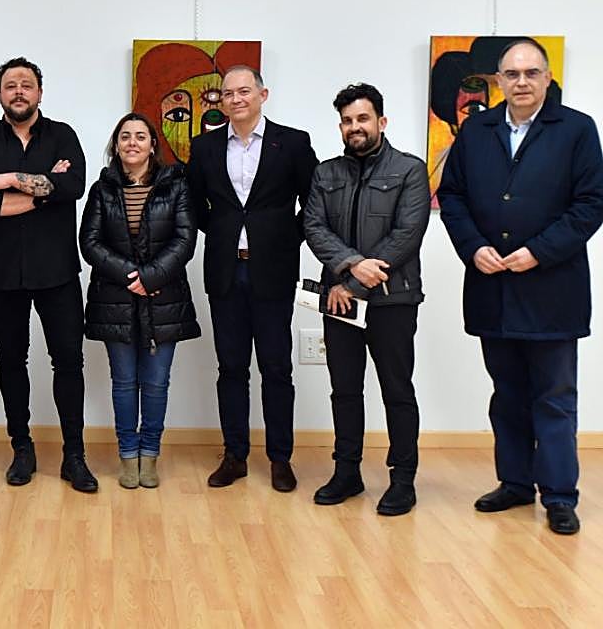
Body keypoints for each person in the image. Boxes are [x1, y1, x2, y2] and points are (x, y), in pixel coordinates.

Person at [438, 37, 603, 536]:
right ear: (500, 81)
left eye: (532, 73)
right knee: (506, 394)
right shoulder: (477, 130)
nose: (522, 82)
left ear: (547, 78)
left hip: (553, 290)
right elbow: (454, 196)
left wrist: (539, 251)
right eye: (512, 74)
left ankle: (558, 495)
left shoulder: (576, 129)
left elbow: (590, 204)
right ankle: (513, 482)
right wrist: (473, 247)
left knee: (553, 397)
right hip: (493, 287)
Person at [0, 56, 97, 492]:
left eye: (26, 84)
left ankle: (74, 455)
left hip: (56, 270)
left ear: (40, 92)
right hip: (0, 273)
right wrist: (42, 189)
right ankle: (22, 448)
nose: (18, 91)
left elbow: (73, 187)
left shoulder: (63, 136)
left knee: (68, 361)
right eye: (10, 85)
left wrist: (6, 179)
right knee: (11, 361)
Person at [186, 66, 317, 493]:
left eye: (245, 91)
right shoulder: (204, 147)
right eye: (228, 93)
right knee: (231, 367)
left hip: (273, 269)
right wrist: (224, 230)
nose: (236, 98)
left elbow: (312, 201)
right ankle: (235, 455)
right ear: (221, 101)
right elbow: (193, 204)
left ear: (263, 94)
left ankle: (280, 458)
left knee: (277, 367)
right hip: (225, 270)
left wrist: (281, 236)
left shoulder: (293, 143)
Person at [303, 83, 429, 515]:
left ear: (381, 122)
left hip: (392, 301)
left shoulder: (410, 170)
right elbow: (314, 228)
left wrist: (354, 284)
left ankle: (403, 478)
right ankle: (347, 472)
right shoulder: (325, 173)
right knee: (344, 389)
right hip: (339, 298)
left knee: (397, 388)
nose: (354, 127)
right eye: (347, 121)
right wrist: (351, 265)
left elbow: (407, 235)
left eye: (362, 119)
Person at [79, 113, 199, 489]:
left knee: (157, 383)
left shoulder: (176, 186)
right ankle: (128, 456)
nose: (132, 142)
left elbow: (185, 240)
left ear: (152, 145)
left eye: (140, 136)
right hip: (115, 298)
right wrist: (131, 275)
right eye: (125, 136)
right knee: (124, 382)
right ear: (116, 145)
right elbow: (90, 242)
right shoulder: (102, 188)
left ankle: (150, 455)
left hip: (164, 298)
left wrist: (149, 278)